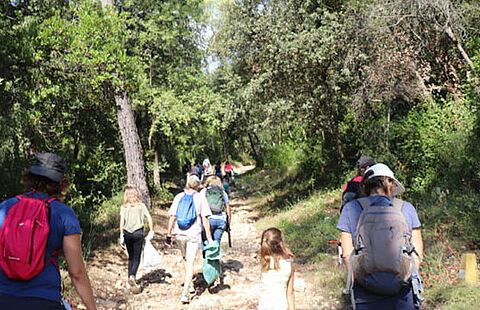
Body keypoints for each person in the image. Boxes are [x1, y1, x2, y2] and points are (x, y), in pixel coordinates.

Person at [0, 153, 97, 310]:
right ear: (61, 183)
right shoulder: (64, 214)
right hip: (43, 300)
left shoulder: (6, 207)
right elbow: (77, 273)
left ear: (29, 176)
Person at [337, 163, 424, 310]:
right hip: (402, 292)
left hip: (365, 291)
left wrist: (356, 283)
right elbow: (417, 255)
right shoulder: (406, 208)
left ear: (365, 186)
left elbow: (346, 254)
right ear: (391, 185)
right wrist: (404, 278)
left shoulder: (351, 208)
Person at [165, 175, 213, 304]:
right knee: (190, 262)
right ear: (197, 185)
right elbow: (205, 218)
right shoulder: (200, 197)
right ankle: (185, 293)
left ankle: (190, 283)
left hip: (179, 234)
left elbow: (172, 216)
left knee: (185, 259)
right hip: (193, 235)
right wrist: (209, 238)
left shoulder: (179, 196)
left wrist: (168, 235)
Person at [119, 186, 154, 293]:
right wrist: (151, 230)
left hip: (127, 234)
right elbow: (148, 217)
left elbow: (121, 221)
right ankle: (132, 277)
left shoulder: (124, 207)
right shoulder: (141, 206)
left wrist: (121, 234)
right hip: (138, 233)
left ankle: (130, 278)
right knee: (137, 258)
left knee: (131, 257)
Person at [257, 227, 295, 310]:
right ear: (281, 243)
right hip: (281, 305)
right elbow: (290, 293)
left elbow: (263, 251)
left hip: (264, 305)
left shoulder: (264, 261)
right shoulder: (289, 263)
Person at [200, 176, 232, 254]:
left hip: (207, 220)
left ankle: (206, 261)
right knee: (216, 243)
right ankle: (215, 261)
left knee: (206, 241)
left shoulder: (204, 191)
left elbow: (198, 206)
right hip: (221, 220)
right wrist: (228, 225)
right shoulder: (222, 192)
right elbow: (228, 210)